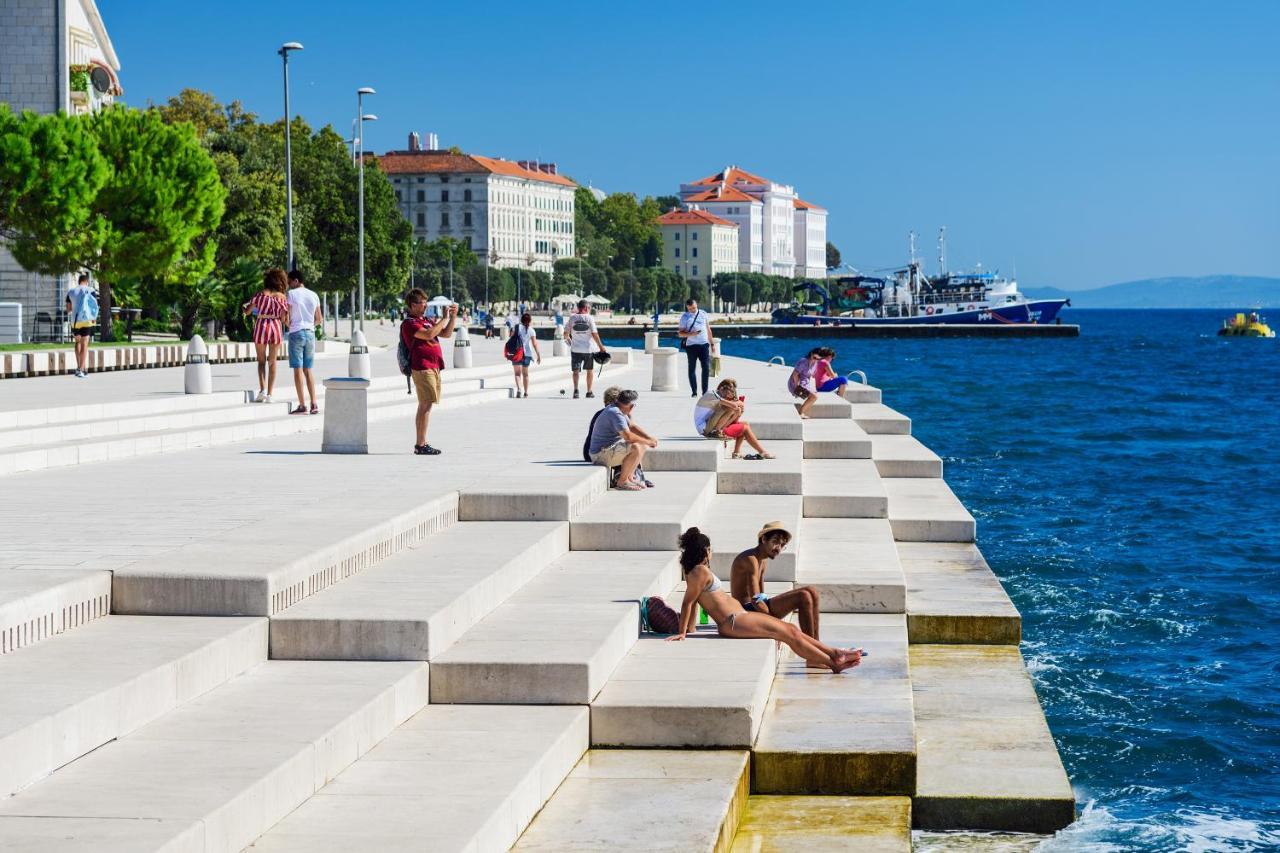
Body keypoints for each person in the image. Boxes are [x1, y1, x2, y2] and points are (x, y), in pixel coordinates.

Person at [667, 528, 861, 673]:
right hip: (734, 620)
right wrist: (682, 633)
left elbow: (693, 603)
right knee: (788, 634)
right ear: (704, 550)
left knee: (791, 630)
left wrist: (688, 629)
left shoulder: (694, 572)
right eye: (710, 549)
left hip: (739, 616)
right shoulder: (699, 572)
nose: (711, 553)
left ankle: (834, 653)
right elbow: (688, 602)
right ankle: (832, 662)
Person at [730, 522, 823, 645]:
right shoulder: (750, 559)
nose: (778, 548)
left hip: (755, 608)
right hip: (744, 612)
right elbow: (755, 600)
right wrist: (776, 626)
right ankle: (812, 651)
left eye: (782, 544)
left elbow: (761, 596)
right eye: (775, 542)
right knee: (803, 596)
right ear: (763, 539)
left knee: (812, 592)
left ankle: (817, 646)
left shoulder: (762, 559)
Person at [401, 287, 457, 455]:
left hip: (434, 366)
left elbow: (445, 334)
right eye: (421, 303)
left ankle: (421, 443)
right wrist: (443, 318)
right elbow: (429, 334)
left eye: (426, 302)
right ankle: (421, 444)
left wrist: (452, 318)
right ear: (412, 305)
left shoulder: (426, 320)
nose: (425, 306)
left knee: (427, 404)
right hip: (422, 366)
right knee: (425, 404)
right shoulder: (409, 323)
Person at [583, 386, 653, 488]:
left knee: (640, 445)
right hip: (600, 454)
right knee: (635, 447)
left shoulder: (618, 410)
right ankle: (622, 481)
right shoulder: (615, 412)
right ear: (631, 405)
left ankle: (630, 478)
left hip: (606, 449)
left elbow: (632, 426)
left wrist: (648, 438)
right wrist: (648, 441)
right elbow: (628, 436)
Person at [693, 378, 774, 460]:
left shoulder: (720, 397)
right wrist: (738, 404)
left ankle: (736, 453)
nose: (727, 395)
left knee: (744, 424)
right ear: (721, 388)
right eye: (728, 392)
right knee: (740, 421)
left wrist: (739, 412)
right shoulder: (712, 394)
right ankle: (762, 452)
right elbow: (733, 406)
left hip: (710, 424)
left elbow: (734, 419)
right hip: (704, 428)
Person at [243, 268, 289, 402]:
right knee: (273, 362)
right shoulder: (282, 297)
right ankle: (270, 394)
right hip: (275, 326)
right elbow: (284, 318)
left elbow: (248, 311)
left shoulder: (259, 295)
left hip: (261, 326)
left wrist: (244, 307)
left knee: (261, 361)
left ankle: (262, 390)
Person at [285, 269, 323, 415]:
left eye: (289, 282)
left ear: (296, 280)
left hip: (296, 332)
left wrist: (289, 324)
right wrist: (310, 325)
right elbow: (319, 319)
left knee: (298, 370)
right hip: (310, 333)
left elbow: (286, 316)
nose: (288, 285)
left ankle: (302, 405)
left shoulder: (291, 294)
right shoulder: (314, 295)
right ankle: (314, 403)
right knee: (308, 370)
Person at [565, 299, 606, 399]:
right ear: (585, 308)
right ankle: (589, 391)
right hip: (588, 349)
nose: (589, 309)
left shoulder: (572, 318)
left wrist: (570, 342)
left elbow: (565, 334)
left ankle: (576, 390)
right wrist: (601, 347)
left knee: (575, 371)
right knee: (589, 370)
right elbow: (594, 334)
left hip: (575, 349)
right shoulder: (589, 318)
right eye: (589, 307)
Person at [677, 297, 714, 397]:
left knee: (706, 368)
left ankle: (705, 392)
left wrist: (712, 343)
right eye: (690, 309)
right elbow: (680, 334)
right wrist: (691, 334)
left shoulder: (703, 313)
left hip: (704, 345)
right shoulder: (685, 317)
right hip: (691, 346)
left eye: (693, 308)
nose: (692, 310)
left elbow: (708, 329)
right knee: (692, 369)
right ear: (687, 308)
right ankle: (694, 392)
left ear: (696, 305)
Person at [65, 273, 97, 378]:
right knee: (85, 344)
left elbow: (68, 309)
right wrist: (94, 318)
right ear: (86, 281)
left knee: (78, 342)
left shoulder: (71, 292)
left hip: (75, 321)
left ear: (79, 281)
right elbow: (94, 306)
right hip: (86, 320)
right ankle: (81, 370)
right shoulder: (90, 290)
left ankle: (78, 367)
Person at [511, 312, 541, 398]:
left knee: (517, 373)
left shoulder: (517, 328)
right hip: (527, 354)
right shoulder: (531, 330)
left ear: (521, 320)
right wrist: (538, 355)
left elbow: (511, 338)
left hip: (516, 353)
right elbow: (535, 344)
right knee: (525, 374)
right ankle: (526, 392)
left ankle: (519, 389)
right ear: (530, 321)